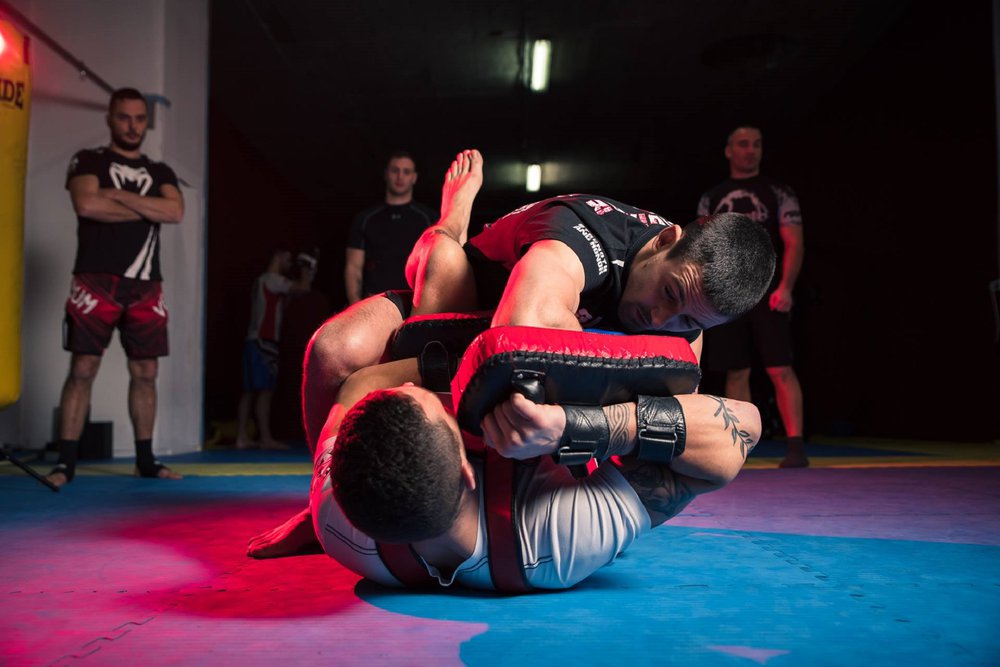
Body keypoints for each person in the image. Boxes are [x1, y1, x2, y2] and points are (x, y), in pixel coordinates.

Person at [246, 148, 775, 557]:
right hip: (464, 304)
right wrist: (610, 376)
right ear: (664, 242)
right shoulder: (579, 236)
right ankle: (453, 219)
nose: (661, 320)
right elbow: (518, 338)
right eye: (669, 293)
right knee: (336, 349)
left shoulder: (689, 316)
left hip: (526, 340)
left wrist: (597, 421)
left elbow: (683, 409)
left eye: (689, 321)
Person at [254, 352, 762, 590]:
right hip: (559, 489)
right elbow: (742, 429)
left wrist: (455, 360)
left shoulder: (334, 520)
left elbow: (354, 387)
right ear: (466, 469)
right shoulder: (558, 542)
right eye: (442, 409)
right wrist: (573, 426)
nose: (412, 388)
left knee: (334, 351)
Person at [46, 87, 184, 488]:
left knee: (146, 371)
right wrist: (146, 207)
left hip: (145, 284)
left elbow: (175, 211)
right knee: (83, 367)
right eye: (124, 117)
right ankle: (65, 464)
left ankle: (145, 460)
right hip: (95, 279)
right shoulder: (88, 160)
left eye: (139, 118)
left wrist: (116, 196)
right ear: (110, 118)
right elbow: (87, 205)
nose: (132, 126)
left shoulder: (161, 171)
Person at [696, 126, 807, 468]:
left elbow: (794, 241)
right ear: (729, 150)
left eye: (757, 144)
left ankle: (796, 446)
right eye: (743, 144)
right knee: (736, 371)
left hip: (769, 291)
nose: (750, 150)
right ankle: (741, 447)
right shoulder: (712, 197)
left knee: (780, 368)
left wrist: (786, 287)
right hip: (730, 294)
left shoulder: (778, 192)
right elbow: (701, 248)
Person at [236, 246, 316, 450]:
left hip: (254, 339)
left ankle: (242, 436)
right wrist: (307, 270)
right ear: (278, 257)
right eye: (287, 260)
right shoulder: (272, 280)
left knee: (249, 391)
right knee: (265, 390)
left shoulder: (262, 281)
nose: (289, 264)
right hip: (265, 341)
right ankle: (265, 438)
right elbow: (303, 289)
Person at [344, 151, 438, 305]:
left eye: (406, 171)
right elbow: (353, 267)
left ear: (414, 177)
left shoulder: (429, 218)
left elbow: (438, 266)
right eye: (395, 170)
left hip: (416, 305)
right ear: (386, 174)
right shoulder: (365, 218)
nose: (400, 176)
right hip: (374, 303)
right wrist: (355, 305)